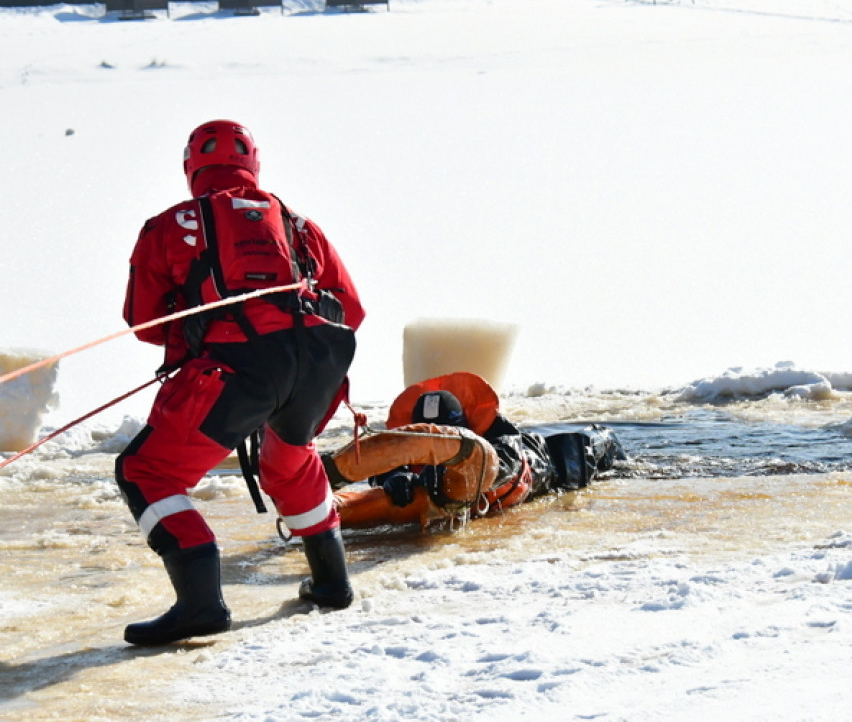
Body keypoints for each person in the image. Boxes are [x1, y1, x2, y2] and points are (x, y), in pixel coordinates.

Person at [115, 120, 365, 646]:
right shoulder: (297, 224)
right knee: (291, 459)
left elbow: (144, 322)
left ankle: (201, 605)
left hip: (236, 366)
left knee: (146, 471)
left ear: (191, 169)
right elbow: (353, 309)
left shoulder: (169, 225)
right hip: (316, 364)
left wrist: (196, 320)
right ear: (254, 165)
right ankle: (332, 581)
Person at [322, 372, 626, 525]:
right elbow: (385, 458)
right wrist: (391, 477)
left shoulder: (501, 439)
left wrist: (442, 473)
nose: (433, 440)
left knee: (607, 453)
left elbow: (496, 466)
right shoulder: (409, 444)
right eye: (427, 433)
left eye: (441, 431)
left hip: (563, 458)